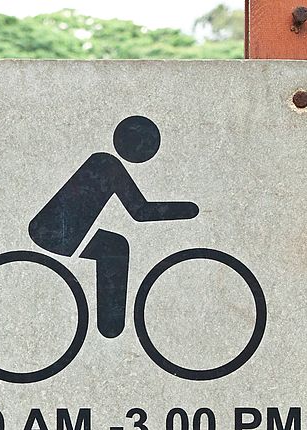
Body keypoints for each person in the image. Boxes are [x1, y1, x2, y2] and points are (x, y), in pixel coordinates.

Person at [28, 115, 199, 338]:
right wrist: (188, 210)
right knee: (115, 245)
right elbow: (139, 212)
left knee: (112, 243)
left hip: (50, 230)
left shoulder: (103, 161)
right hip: (58, 236)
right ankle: (110, 327)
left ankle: (110, 327)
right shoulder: (108, 165)